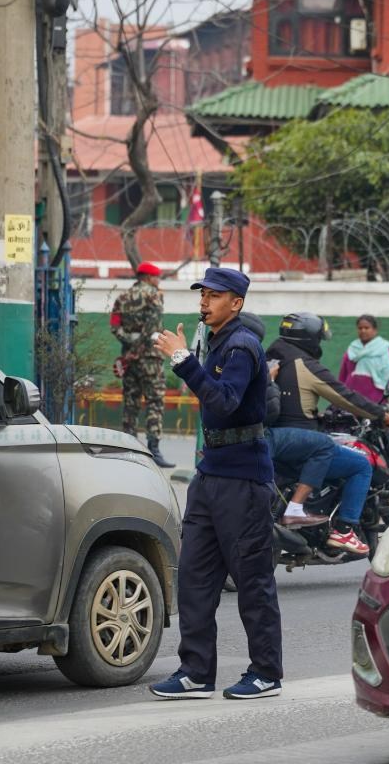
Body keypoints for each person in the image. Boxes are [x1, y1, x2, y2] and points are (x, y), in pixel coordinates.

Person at [149, 267, 283, 700]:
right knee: (195, 577)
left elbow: (224, 401)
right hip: (211, 475)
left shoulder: (242, 345)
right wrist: (189, 359)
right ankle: (196, 672)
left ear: (236, 303)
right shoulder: (218, 341)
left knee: (252, 579)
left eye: (214, 295)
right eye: (202, 294)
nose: (204, 301)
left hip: (243, 479)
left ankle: (266, 673)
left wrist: (182, 360)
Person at [268, 311, 389, 555]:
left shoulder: (272, 358)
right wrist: (382, 415)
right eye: (318, 339)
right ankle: (344, 530)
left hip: (272, 438)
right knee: (360, 466)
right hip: (299, 442)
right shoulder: (304, 365)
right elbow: (344, 395)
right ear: (309, 338)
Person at [239, 311, 329, 528]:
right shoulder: (255, 364)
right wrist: (268, 381)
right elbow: (267, 412)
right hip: (256, 436)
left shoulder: (229, 358)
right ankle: (295, 509)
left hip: (231, 439)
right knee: (325, 445)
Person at [111, 261, 173, 468]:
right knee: (155, 402)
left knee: (131, 403)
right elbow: (153, 327)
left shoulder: (122, 298)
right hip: (150, 359)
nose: (158, 282)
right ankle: (153, 450)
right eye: (157, 278)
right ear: (148, 277)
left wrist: (129, 344)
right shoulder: (154, 295)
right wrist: (140, 346)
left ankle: (127, 449)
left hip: (129, 359)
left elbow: (114, 327)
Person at [340, 314, 389, 410]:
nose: (363, 331)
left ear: (375, 330)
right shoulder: (352, 349)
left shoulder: (384, 349)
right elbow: (342, 377)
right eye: (360, 328)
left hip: (376, 399)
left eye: (366, 328)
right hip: (351, 399)